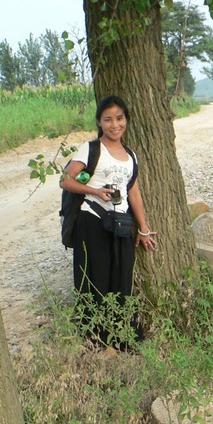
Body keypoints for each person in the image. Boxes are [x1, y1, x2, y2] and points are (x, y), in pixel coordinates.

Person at [60, 95, 157, 348]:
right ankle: (95, 341)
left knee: (121, 280)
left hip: (121, 224)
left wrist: (144, 230)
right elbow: (66, 180)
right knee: (95, 279)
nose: (115, 124)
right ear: (100, 122)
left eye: (119, 118)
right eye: (108, 119)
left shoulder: (131, 156)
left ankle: (121, 338)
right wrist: (94, 191)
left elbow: (133, 192)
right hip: (91, 220)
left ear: (126, 120)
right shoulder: (91, 149)